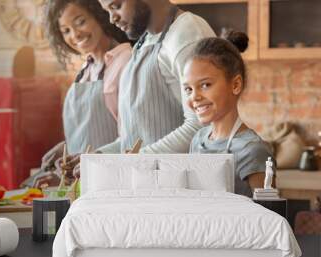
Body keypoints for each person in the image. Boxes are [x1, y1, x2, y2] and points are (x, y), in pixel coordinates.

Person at [95, 0, 215, 154]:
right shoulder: (144, 42)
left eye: (116, 6)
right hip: (147, 173)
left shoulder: (188, 33)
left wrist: (140, 158)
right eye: (107, 11)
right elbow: (135, 138)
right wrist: (96, 156)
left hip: (175, 176)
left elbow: (202, 125)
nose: (112, 19)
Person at [40, 0, 132, 184]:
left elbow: (132, 135)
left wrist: (92, 156)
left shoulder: (126, 61)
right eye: (66, 30)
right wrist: (67, 148)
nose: (75, 35)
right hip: (83, 180)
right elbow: (92, 131)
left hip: (114, 179)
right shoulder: (85, 70)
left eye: (80, 22)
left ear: (100, 16)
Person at [185, 30, 275, 197]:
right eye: (188, 89)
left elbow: (268, 219)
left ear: (235, 85)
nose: (194, 97)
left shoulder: (253, 151)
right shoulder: (197, 141)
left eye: (205, 85)